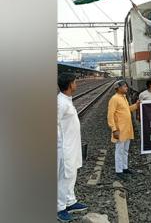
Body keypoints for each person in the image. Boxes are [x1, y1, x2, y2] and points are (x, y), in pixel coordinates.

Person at [57, 73, 88, 222]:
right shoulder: (60, 102)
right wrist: (60, 145)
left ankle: (70, 201)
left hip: (72, 145)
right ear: (70, 85)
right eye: (75, 82)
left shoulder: (66, 100)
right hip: (64, 148)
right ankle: (60, 208)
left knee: (72, 173)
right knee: (64, 176)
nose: (76, 84)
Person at [107, 80, 140, 180]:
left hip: (127, 129)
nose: (127, 88)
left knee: (125, 150)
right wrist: (114, 129)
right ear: (119, 88)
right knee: (119, 150)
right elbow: (110, 115)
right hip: (120, 130)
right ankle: (119, 171)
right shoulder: (114, 99)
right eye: (125, 87)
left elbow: (127, 110)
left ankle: (125, 168)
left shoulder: (124, 98)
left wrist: (136, 105)